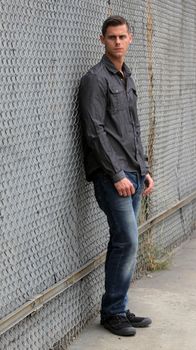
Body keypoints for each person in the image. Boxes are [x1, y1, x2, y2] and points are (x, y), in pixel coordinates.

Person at [79, 15, 154, 336]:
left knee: (123, 243)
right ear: (102, 40)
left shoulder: (127, 76)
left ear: (130, 39)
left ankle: (118, 307)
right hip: (113, 177)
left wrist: (144, 169)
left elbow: (134, 128)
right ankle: (112, 313)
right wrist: (117, 174)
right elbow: (94, 132)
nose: (118, 42)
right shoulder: (95, 79)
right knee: (128, 241)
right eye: (112, 37)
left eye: (123, 37)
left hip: (134, 173)